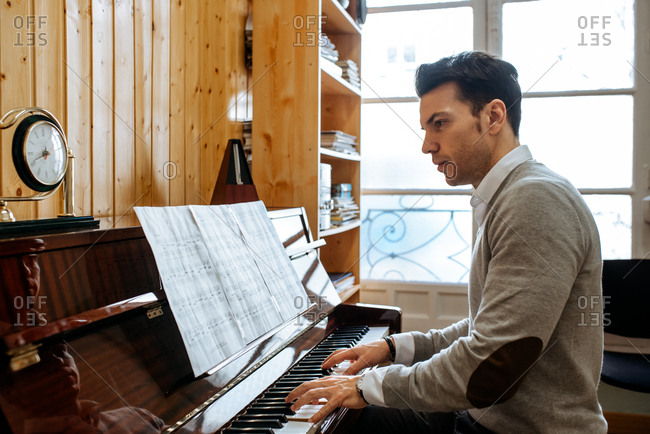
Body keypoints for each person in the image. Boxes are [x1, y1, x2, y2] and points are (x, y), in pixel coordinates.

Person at [286, 51, 608, 433]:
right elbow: (487, 326)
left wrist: (365, 385)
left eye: (439, 124)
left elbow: (491, 366)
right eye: (426, 128)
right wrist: (394, 349)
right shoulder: (511, 194)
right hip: (486, 420)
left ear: (493, 117)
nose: (427, 145)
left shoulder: (534, 200)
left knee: (354, 421)